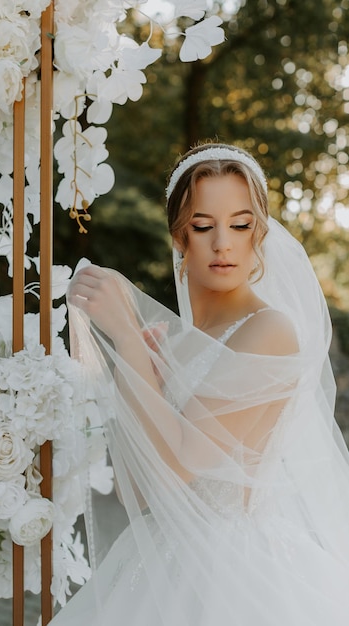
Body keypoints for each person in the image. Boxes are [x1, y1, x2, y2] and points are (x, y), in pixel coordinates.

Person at [49, 143, 349, 625]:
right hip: (158, 561)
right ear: (179, 236)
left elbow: (184, 459)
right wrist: (140, 368)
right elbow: (138, 492)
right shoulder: (181, 345)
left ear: (260, 232)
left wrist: (126, 335)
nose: (223, 243)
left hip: (235, 572)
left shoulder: (269, 330)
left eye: (240, 225)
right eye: (203, 226)